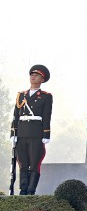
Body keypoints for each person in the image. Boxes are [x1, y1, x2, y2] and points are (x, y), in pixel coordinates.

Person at [9, 65, 52, 195]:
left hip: (36, 133)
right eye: (31, 74)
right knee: (22, 163)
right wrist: (13, 133)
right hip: (21, 133)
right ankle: (23, 190)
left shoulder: (46, 96)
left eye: (36, 75)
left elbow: (46, 116)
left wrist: (46, 134)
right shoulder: (21, 95)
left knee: (34, 164)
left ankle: (31, 190)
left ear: (42, 79)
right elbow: (15, 115)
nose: (33, 76)